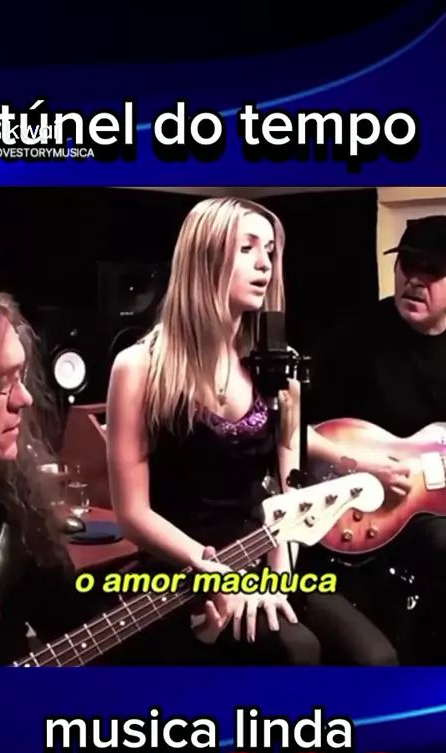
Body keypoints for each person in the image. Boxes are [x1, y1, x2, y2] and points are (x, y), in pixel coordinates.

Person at [106, 196, 398, 665]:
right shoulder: (138, 367)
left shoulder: (277, 366)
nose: (265, 263)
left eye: (270, 251)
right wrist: (220, 574)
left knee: (376, 660)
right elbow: (132, 513)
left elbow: (289, 493)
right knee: (296, 652)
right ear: (205, 259)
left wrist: (276, 580)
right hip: (186, 565)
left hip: (268, 554)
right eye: (247, 249)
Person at [0, 279, 224, 666]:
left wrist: (190, 630)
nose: (25, 398)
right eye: (2, 383)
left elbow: (76, 629)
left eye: (20, 377)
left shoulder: (7, 505)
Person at [306, 215, 446, 663]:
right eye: (407, 265)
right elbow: (293, 428)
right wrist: (361, 465)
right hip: (365, 509)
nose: (415, 281)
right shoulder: (355, 338)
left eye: (432, 270)